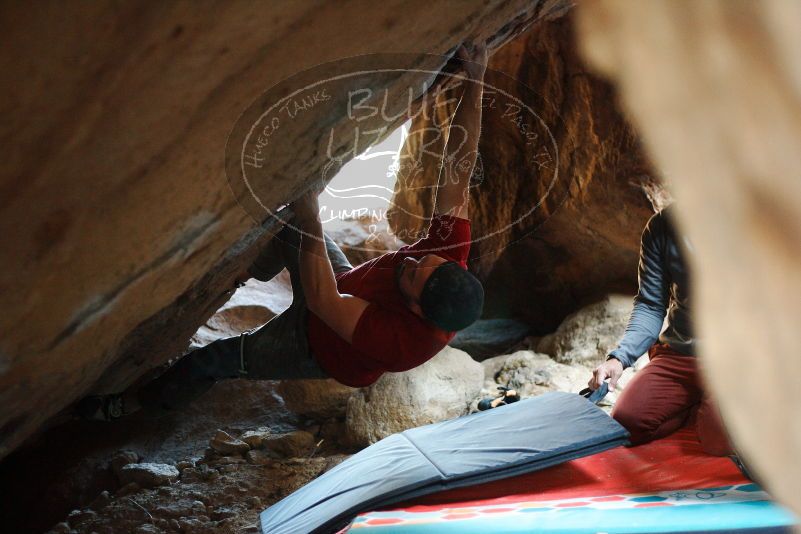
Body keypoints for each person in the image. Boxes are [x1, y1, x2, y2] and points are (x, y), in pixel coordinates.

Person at [79, 43, 487, 421]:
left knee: (215, 360)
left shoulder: (402, 342)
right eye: (422, 258)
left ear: (416, 310)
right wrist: (475, 78)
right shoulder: (448, 259)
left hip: (317, 346)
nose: (412, 259)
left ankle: (134, 407)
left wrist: (312, 215)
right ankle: (242, 274)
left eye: (412, 274)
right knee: (293, 228)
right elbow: (459, 167)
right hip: (344, 286)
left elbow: (324, 302)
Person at [586, 206, 732, 455]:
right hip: (682, 352)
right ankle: (697, 406)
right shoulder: (663, 226)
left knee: (718, 440)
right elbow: (651, 304)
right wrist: (620, 358)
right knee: (627, 423)